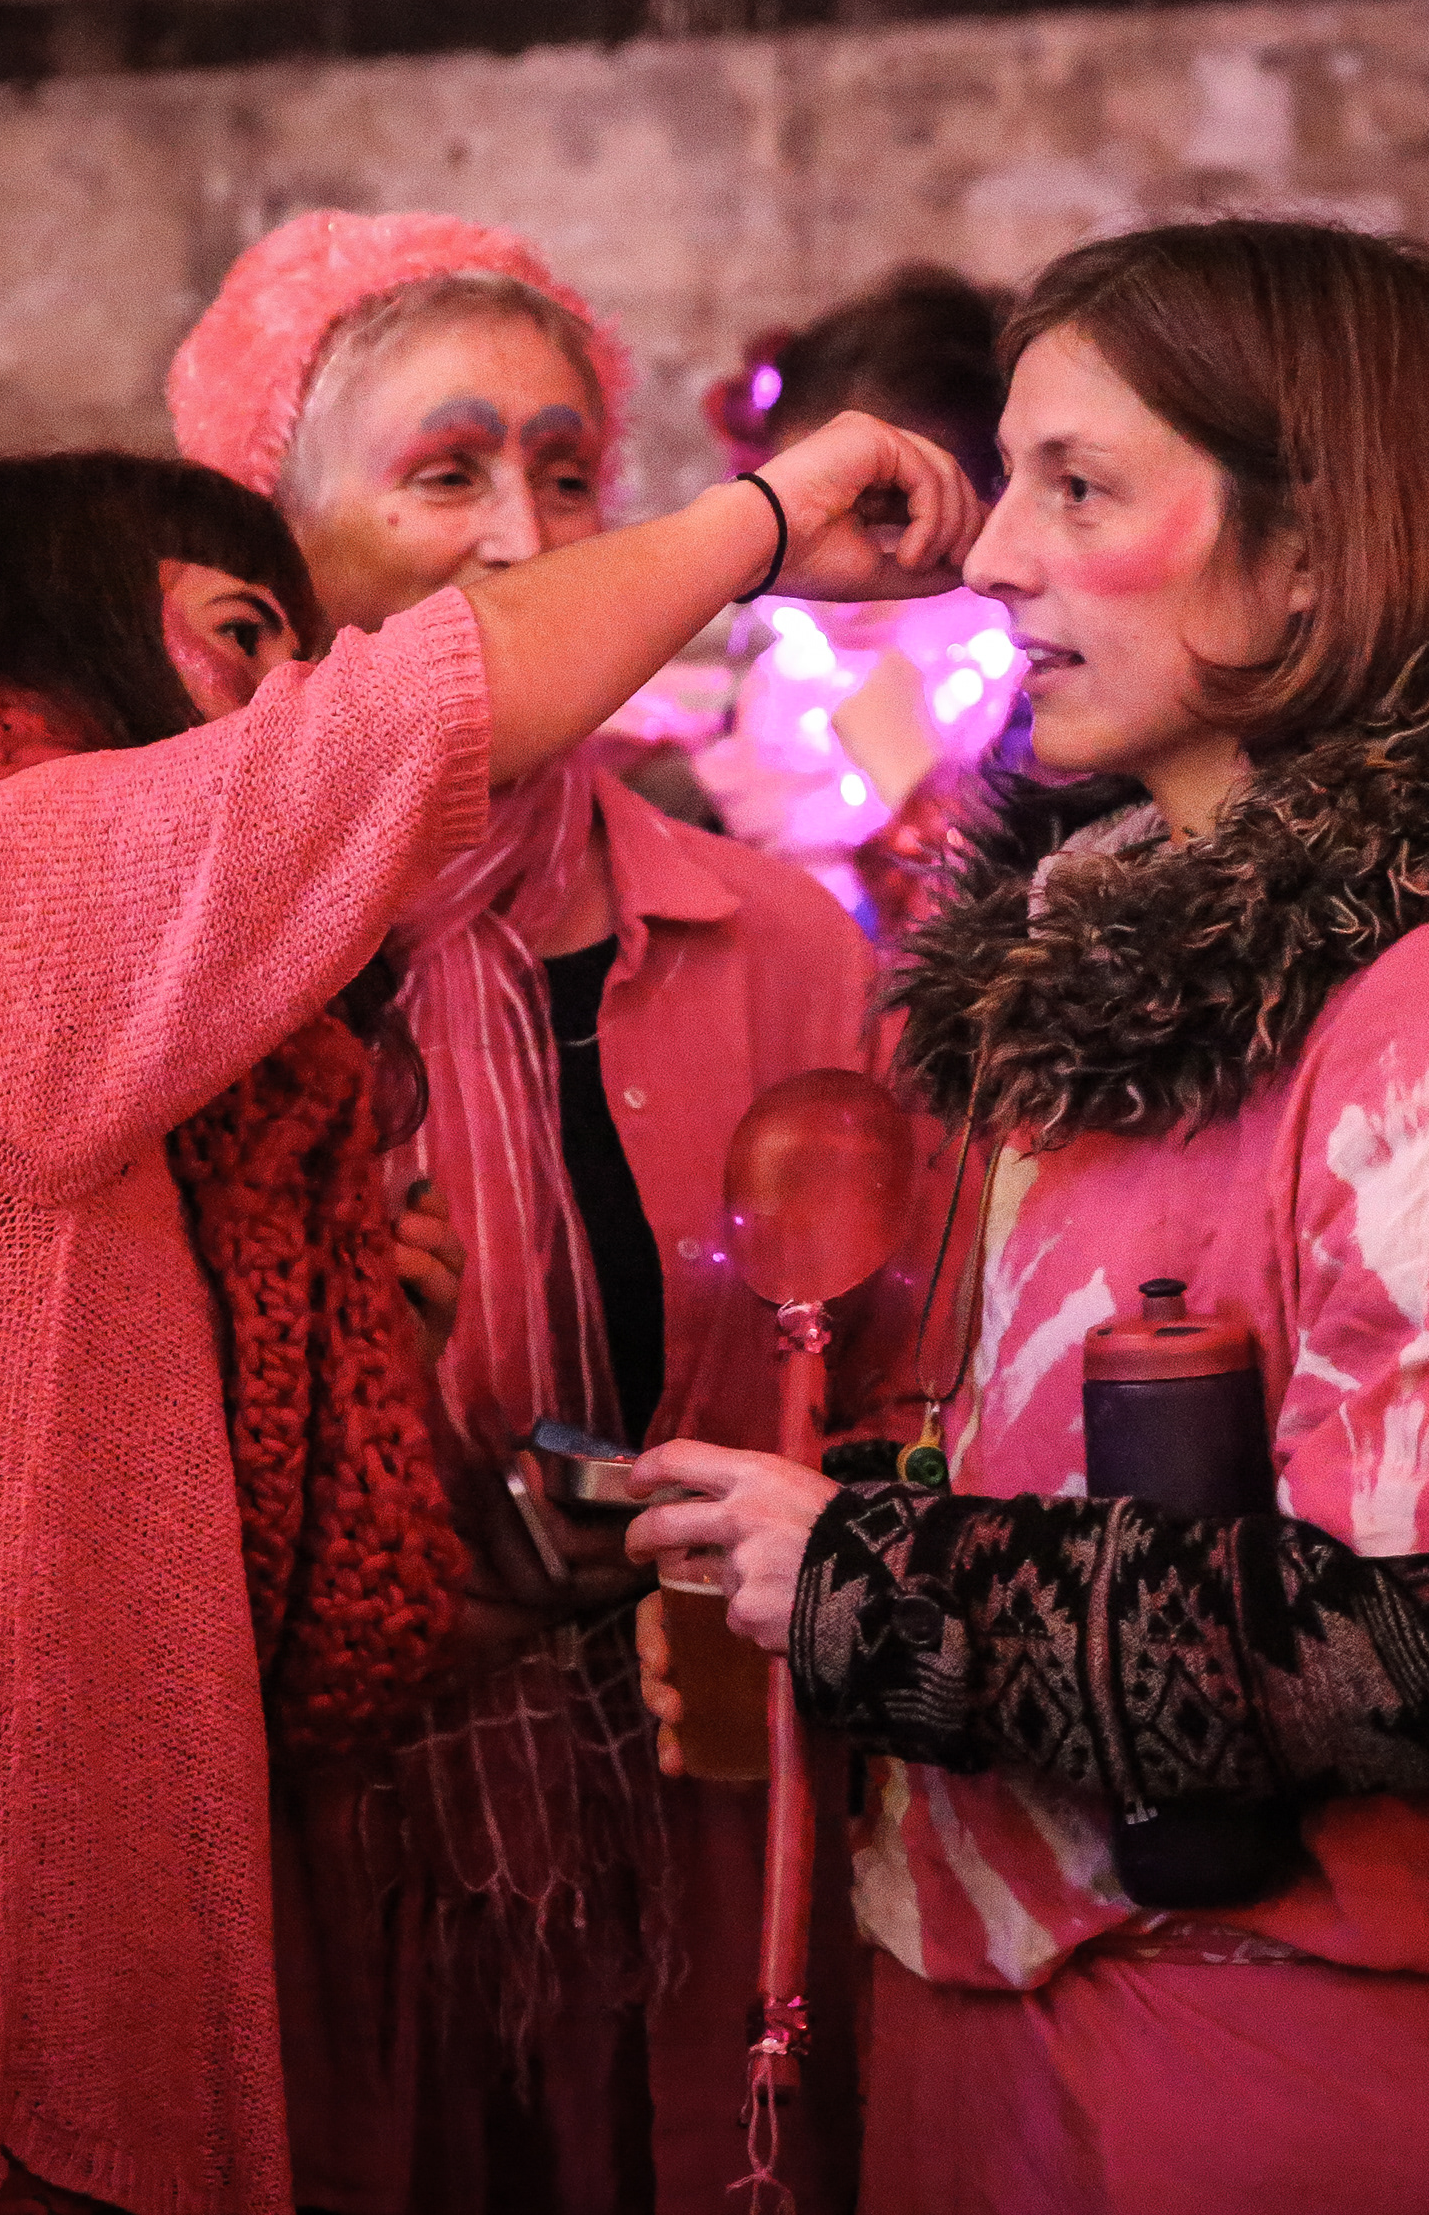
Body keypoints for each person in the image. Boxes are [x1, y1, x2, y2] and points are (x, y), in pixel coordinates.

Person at [0, 412, 976, 2215]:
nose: (288, 699)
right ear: (60, 626)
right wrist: (762, 520)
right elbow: (416, 715)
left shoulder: (3, 979)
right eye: (245, 638)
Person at [625, 219, 1429, 2215]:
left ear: (1310, 549)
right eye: (1012, 483)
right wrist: (814, 1518)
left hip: (1268, 2058)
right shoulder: (1097, 961)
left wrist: (875, 1586)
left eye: (1080, 488)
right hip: (1016, 2021)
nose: (994, 558)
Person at [166, 210, 879, 2215]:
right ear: (275, 545)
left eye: (568, 476)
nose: (522, 537)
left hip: (702, 1853)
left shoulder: (780, 941)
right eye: (445, 472)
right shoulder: (194, 959)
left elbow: (899, 1400)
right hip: (299, 1862)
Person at [693, 266, 1023, 930]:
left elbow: (1027, 945)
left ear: (997, 493)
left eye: (894, 515)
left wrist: (912, 784)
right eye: (805, 520)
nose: (840, 572)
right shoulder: (771, 700)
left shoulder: (1039, 708)